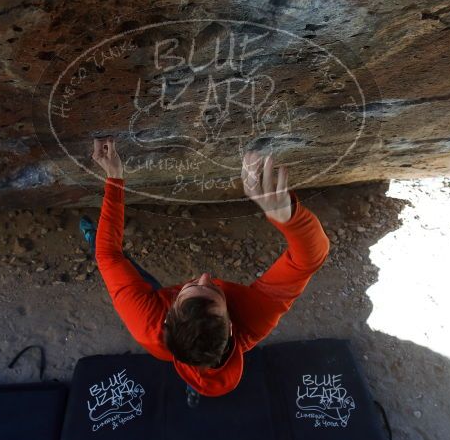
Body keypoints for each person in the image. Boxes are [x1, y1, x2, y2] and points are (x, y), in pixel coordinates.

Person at [89, 136, 329, 406]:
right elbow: (308, 258)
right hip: (186, 328)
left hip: (156, 317)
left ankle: (193, 383)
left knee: (133, 274)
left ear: (167, 318)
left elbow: (107, 254)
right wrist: (290, 219)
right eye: (213, 290)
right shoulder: (253, 318)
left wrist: (114, 177)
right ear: (230, 327)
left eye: (188, 289)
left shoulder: (146, 323)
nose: (205, 276)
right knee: (133, 275)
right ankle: (193, 384)